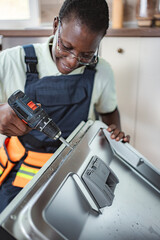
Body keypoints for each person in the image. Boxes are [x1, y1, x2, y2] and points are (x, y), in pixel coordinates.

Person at [0, 0, 130, 213]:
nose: (71, 62)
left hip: (75, 169)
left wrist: (113, 133)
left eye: (86, 55)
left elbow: (109, 112)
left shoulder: (102, 71)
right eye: (66, 47)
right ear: (55, 26)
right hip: (21, 171)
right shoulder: (12, 61)